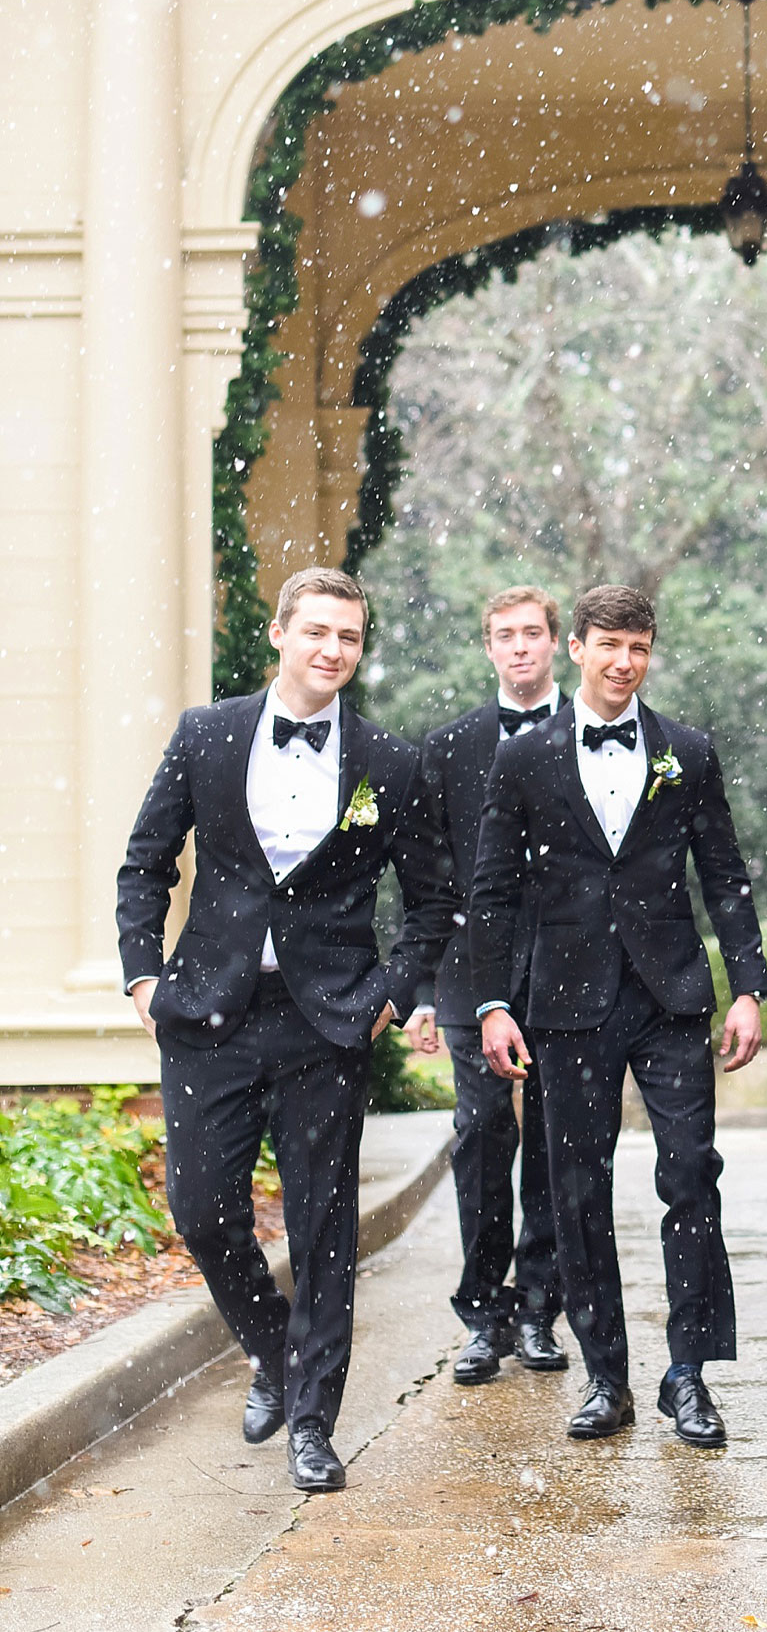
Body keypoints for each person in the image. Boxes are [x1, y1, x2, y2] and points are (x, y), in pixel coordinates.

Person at [116, 567, 455, 1492]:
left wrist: (389, 991)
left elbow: (434, 904)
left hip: (325, 1023)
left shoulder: (390, 764)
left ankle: (314, 1420)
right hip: (208, 1015)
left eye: (348, 636)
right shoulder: (207, 736)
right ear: (279, 634)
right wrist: (143, 976)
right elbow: (146, 861)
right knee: (201, 1210)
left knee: (322, 1226)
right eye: (316, 632)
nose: (331, 650)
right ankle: (274, 1351)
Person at [471, 584, 767, 1448]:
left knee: (690, 1177)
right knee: (576, 1189)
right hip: (564, 1003)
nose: (623, 662)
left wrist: (747, 984)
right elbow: (492, 891)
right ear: (580, 650)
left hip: (670, 996)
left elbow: (725, 874)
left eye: (638, 648)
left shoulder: (689, 751)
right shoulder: (525, 758)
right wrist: (493, 1002)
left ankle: (690, 1374)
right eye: (608, 646)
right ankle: (607, 1377)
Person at [410, 586, 566, 1387]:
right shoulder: (450, 747)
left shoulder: (596, 734)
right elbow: (432, 877)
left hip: (572, 976)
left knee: (551, 1144)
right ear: (488, 647)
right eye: (504, 636)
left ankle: (541, 1307)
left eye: (532, 634)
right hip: (474, 976)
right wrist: (427, 990)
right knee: (480, 1139)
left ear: (555, 642)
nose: (519, 648)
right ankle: (484, 1312)